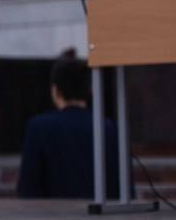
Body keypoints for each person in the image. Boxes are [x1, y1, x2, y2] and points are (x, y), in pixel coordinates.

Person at [17, 52, 124, 199]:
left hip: (53, 217)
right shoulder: (108, 127)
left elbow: (27, 188)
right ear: (89, 89)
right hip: (102, 216)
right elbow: (123, 188)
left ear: (55, 91)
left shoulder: (39, 127)